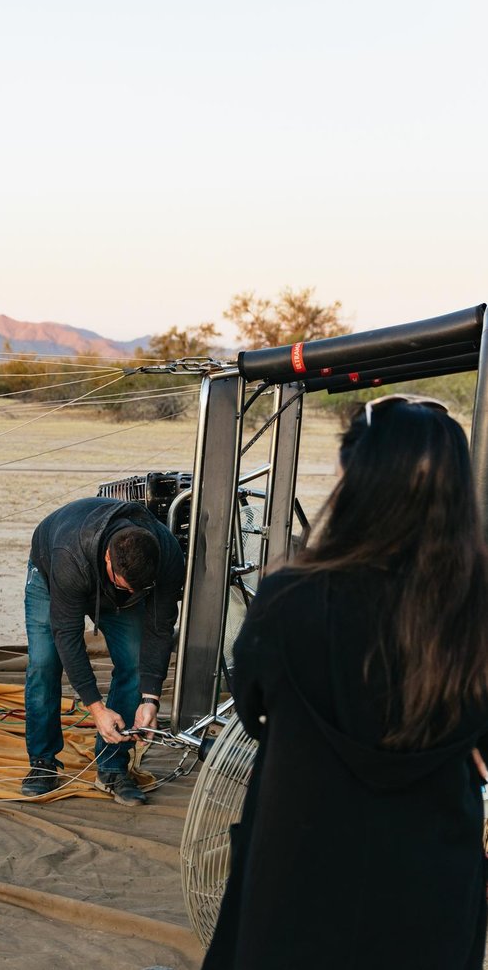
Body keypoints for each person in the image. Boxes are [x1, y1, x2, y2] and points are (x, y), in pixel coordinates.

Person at [202, 395, 488, 969]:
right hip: (431, 890)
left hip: (298, 876)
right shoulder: (475, 611)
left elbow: (253, 706)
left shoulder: (289, 599)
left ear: (358, 481)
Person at [22, 497, 185, 805]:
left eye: (141, 589)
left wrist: (150, 697)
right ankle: (42, 761)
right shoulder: (69, 555)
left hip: (106, 581)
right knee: (44, 662)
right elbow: (67, 635)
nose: (133, 594)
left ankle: (111, 767)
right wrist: (96, 708)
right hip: (52, 573)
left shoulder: (168, 556)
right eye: (126, 587)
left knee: (136, 662)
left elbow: (160, 628)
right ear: (110, 560)